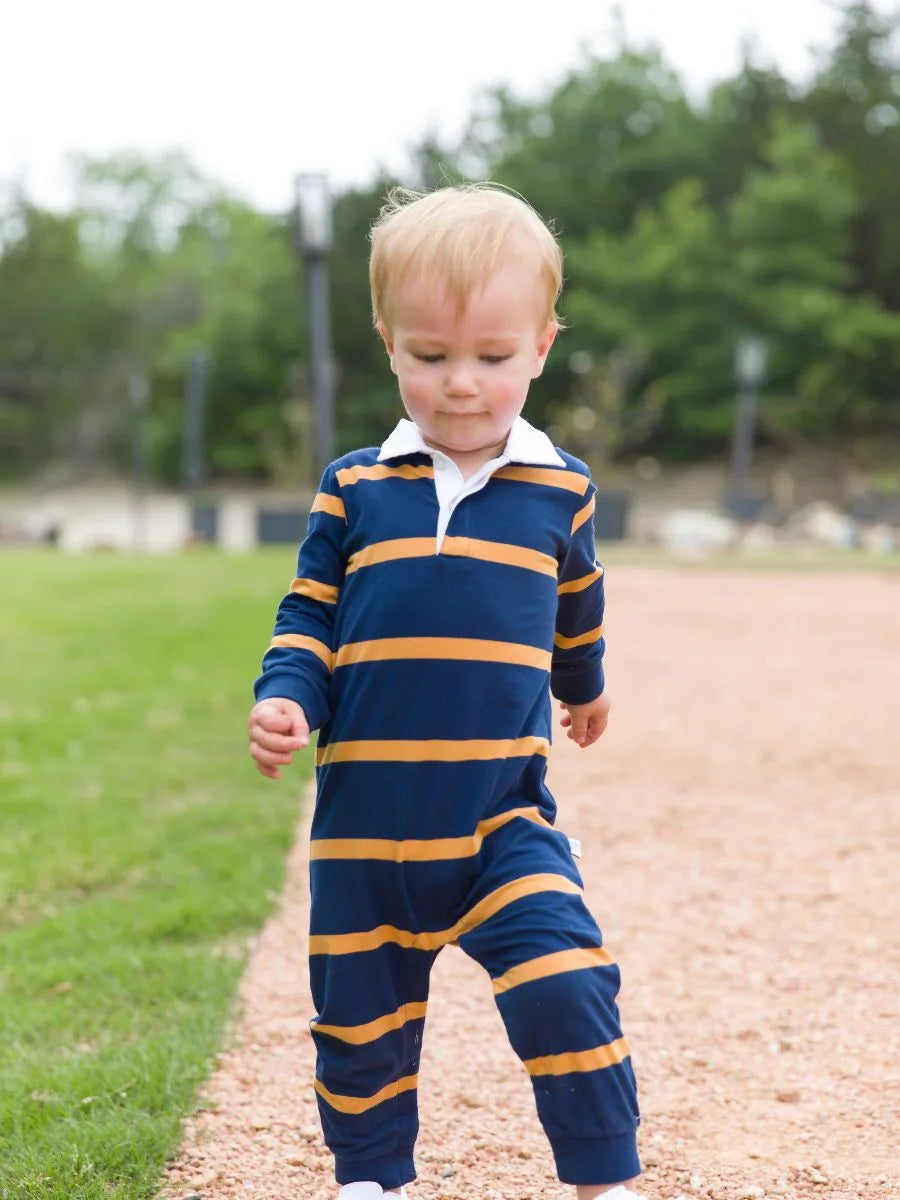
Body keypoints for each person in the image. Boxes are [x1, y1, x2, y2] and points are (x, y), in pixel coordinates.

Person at [247, 184, 641, 1200]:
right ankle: (373, 1178)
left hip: (498, 821)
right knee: (358, 1021)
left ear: (543, 346)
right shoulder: (355, 487)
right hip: (364, 832)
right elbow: (308, 617)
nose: (461, 385)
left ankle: (605, 1176)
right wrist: (288, 697)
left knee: (566, 979)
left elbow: (577, 602)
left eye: (492, 358)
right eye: (431, 357)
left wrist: (585, 687)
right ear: (388, 342)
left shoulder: (562, 488)